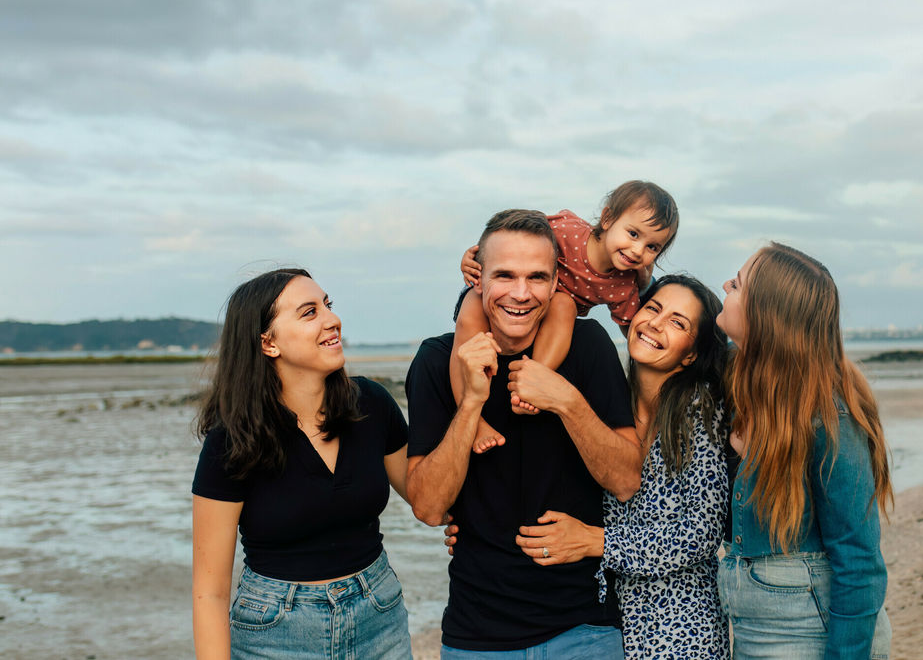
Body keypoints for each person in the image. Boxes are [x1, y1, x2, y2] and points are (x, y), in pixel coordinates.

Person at [449, 274, 732, 659]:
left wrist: (594, 541)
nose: (656, 323)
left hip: (680, 627)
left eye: (678, 323)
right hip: (605, 626)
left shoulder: (700, 412)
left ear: (691, 354)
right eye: (653, 308)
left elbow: (700, 535)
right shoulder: (606, 401)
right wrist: (473, 527)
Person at [405, 209, 645, 658]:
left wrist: (566, 400)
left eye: (536, 277)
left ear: (557, 282)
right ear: (477, 281)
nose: (520, 293)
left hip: (585, 628)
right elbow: (429, 506)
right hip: (477, 634)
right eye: (504, 276)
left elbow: (627, 480)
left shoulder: (589, 345)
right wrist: (472, 403)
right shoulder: (438, 361)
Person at [191, 268, 412, 659]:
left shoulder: (373, 405)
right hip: (275, 633)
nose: (332, 319)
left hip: (379, 615)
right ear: (268, 343)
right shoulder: (232, 440)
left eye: (328, 305)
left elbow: (432, 500)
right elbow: (210, 591)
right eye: (309, 312)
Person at [716, 244, 894, 660]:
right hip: (751, 626)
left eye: (737, 284)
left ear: (765, 316)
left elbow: (860, 561)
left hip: (810, 628)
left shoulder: (830, 417)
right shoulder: (745, 379)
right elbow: (672, 326)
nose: (724, 285)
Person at [450, 181, 679, 453]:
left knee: (564, 304)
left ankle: (530, 380)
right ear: (607, 219)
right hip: (508, 297)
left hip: (550, 315)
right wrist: (472, 256)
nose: (638, 250)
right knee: (470, 317)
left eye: (652, 247)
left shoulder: (623, 285)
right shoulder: (567, 229)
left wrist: (645, 287)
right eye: (632, 233)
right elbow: (511, 237)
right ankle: (472, 418)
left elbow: (632, 331)